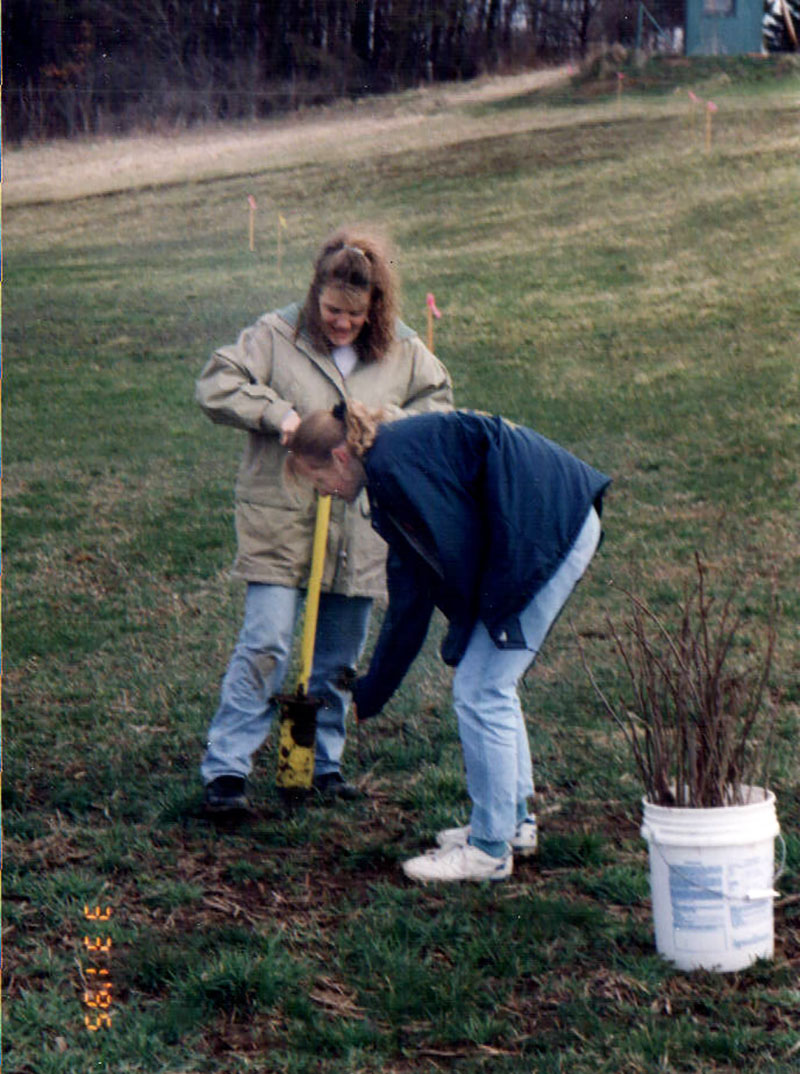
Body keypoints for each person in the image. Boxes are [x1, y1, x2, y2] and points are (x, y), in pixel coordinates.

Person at [286, 402, 611, 882]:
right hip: (547, 518)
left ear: (339, 456)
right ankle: (513, 823)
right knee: (487, 682)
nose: (327, 495)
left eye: (320, 481)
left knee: (482, 690)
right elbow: (415, 584)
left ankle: (488, 851)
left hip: (546, 529)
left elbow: (444, 567)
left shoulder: (393, 469)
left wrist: (459, 637)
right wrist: (376, 688)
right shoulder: (390, 463)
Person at [196, 227, 453, 812]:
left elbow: (438, 405)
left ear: (375, 310)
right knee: (266, 642)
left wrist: (381, 422)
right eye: (333, 311)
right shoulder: (276, 334)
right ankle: (227, 770)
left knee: (336, 657)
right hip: (281, 518)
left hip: (359, 527)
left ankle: (318, 765)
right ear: (315, 295)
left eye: (355, 316)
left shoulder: (405, 349)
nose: (341, 324)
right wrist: (283, 419)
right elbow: (215, 384)